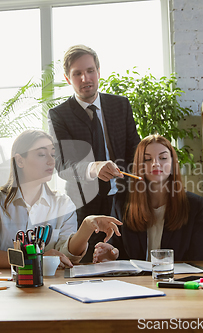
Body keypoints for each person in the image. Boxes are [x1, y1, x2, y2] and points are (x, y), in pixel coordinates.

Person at [0, 130, 122, 268]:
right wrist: (34, 259)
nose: (51, 161)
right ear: (19, 160)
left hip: (51, 293)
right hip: (5, 293)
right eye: (41, 154)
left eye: (53, 155)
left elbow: (68, 256)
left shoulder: (63, 204)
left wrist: (87, 227)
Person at [48, 44, 140, 262]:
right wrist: (93, 167)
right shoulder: (59, 115)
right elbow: (63, 165)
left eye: (90, 71)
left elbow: (134, 149)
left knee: (128, 262)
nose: (85, 78)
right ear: (68, 78)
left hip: (125, 200)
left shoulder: (120, 105)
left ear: (98, 72)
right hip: (84, 207)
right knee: (87, 265)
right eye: (77, 74)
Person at [93, 135, 203, 263]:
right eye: (147, 159)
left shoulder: (194, 205)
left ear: (172, 164)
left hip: (176, 281)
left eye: (163, 158)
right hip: (134, 282)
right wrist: (110, 254)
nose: (156, 164)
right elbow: (116, 249)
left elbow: (202, 257)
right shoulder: (122, 202)